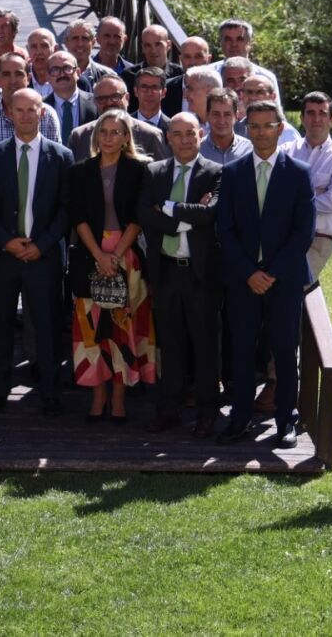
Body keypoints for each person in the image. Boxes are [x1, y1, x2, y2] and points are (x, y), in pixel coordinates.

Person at [215, 100, 315, 447]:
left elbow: (303, 232)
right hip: (243, 280)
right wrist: (249, 273)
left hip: (283, 280)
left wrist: (271, 273)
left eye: (267, 126)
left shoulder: (299, 173)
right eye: (254, 126)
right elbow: (225, 230)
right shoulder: (233, 173)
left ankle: (286, 420)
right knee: (242, 351)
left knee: (284, 352)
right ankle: (240, 418)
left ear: (280, 128)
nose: (260, 133)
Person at [0, 89, 72, 416]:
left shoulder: (61, 156)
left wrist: (41, 244)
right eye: (18, 110)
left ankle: (50, 395)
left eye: (31, 110)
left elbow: (66, 209)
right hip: (3, 257)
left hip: (43, 257)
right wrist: (5, 240)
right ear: (8, 114)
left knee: (47, 328)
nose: (24, 116)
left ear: (42, 113)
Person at [138, 113, 224, 437]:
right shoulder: (154, 172)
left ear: (201, 134)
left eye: (191, 133)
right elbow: (144, 214)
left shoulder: (216, 172)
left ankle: (207, 412)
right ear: (168, 138)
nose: (185, 140)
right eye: (178, 134)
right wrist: (189, 217)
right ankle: (169, 410)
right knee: (170, 344)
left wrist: (168, 208)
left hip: (201, 274)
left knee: (205, 345)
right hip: (166, 271)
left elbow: (211, 214)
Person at [67, 109, 154, 423]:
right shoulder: (80, 171)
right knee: (91, 328)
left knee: (122, 329)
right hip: (90, 255)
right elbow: (77, 217)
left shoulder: (140, 171)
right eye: (103, 132)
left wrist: (115, 255)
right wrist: (99, 256)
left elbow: (137, 218)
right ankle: (98, 396)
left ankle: (118, 397)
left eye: (115, 132)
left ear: (126, 136)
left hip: (125, 255)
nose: (108, 138)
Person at [282, 91, 332, 279]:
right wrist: (317, 193)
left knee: (298, 282)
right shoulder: (285, 152)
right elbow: (273, 193)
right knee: (278, 285)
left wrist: (294, 202)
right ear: (302, 118)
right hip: (284, 234)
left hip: (319, 236)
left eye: (322, 113)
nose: (316, 119)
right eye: (310, 113)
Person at [67, 73, 170, 163]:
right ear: (95, 102)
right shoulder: (80, 136)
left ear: (127, 98)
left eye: (115, 97)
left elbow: (160, 175)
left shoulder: (151, 135)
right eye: (102, 99)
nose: (109, 103)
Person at [0, 51, 61, 147]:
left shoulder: (46, 114)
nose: (13, 81)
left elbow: (56, 154)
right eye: (6, 74)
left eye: (19, 74)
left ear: (28, 78)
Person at [43, 49, 97, 136]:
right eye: (55, 70)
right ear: (47, 76)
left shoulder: (96, 103)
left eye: (67, 68)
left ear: (78, 73)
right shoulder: (41, 107)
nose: (62, 74)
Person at [236, 75, 302, 143]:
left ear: (273, 97)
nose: (253, 97)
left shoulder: (286, 133)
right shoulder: (235, 130)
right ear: (242, 96)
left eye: (260, 92)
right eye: (249, 92)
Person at [199, 88, 253, 167]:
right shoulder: (197, 150)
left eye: (227, 114)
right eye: (216, 114)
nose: (221, 121)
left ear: (236, 116)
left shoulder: (249, 150)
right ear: (207, 115)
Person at [62, 20, 114, 86]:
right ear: (66, 42)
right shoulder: (53, 75)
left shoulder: (108, 77)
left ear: (93, 42)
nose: (80, 44)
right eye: (75, 38)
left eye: (85, 38)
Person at [132, 67, 173, 132]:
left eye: (155, 87)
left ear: (164, 92)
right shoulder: (124, 125)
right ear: (136, 91)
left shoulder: (172, 128)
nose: (149, 93)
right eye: (144, 87)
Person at [26, 28, 58, 95]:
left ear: (55, 49)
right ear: (28, 50)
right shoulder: (21, 78)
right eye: (34, 47)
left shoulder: (67, 78)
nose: (39, 52)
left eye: (44, 46)